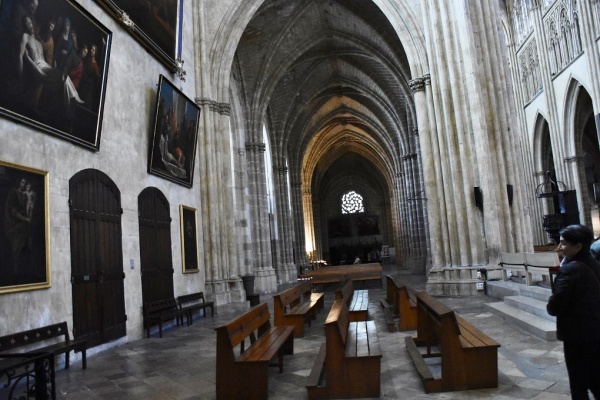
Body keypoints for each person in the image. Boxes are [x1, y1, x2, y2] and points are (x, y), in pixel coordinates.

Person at [546, 224, 600, 399]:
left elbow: (555, 306)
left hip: (577, 334)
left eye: (563, 243)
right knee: (595, 377)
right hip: (596, 329)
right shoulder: (595, 264)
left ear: (578, 246)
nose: (560, 247)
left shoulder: (571, 270)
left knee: (578, 384)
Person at [4, 178, 32, 274]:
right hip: (15, 224)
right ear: (19, 182)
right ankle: (15, 271)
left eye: (25, 182)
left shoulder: (25, 194)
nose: (24, 184)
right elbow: (14, 211)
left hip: (24, 224)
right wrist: (25, 219)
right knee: (16, 249)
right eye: (22, 182)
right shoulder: (14, 193)